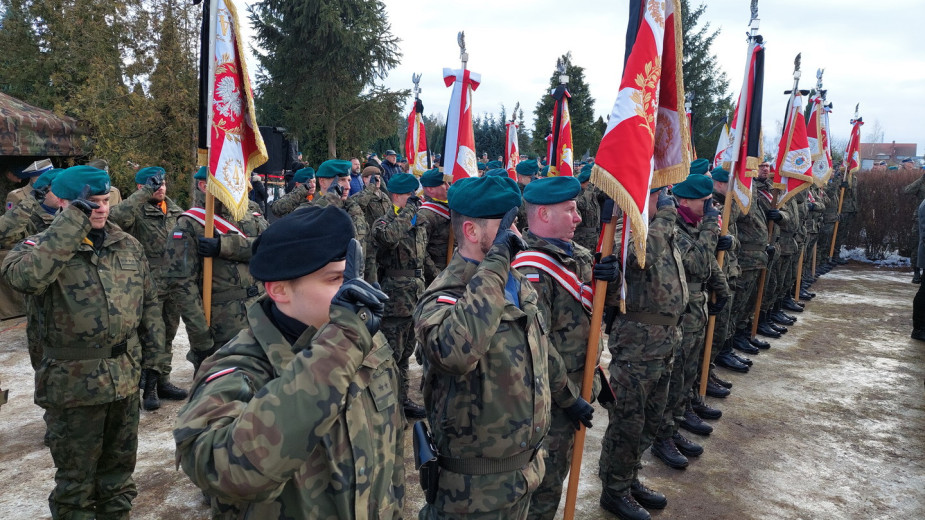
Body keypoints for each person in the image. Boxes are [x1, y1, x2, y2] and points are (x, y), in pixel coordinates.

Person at [174, 205, 405, 519]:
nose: (354, 291)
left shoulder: (364, 340)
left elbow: (390, 455)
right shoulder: (241, 367)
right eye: (336, 279)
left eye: (354, 276)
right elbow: (224, 470)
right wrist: (339, 346)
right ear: (280, 290)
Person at [3, 165, 165, 519]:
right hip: (72, 386)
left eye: (105, 200)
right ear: (63, 202)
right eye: (92, 203)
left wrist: (155, 362)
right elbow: (27, 279)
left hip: (123, 378)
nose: (101, 208)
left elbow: (149, 303)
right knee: (75, 485)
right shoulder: (37, 248)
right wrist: (73, 223)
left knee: (118, 479)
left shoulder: (127, 245)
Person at [414, 175, 567, 519]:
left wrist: (570, 398)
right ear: (471, 231)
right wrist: (497, 259)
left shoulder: (518, 283)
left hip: (522, 478)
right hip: (473, 495)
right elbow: (454, 352)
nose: (516, 234)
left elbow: (538, 350)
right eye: (505, 226)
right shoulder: (446, 295)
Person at [514, 175, 616, 519]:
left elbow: (599, 311)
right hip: (549, 398)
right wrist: (570, 399)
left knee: (558, 477)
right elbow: (536, 346)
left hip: (578, 385)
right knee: (542, 487)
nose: (579, 217)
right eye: (570, 210)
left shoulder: (579, 256)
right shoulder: (530, 269)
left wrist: (611, 280)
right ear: (543, 214)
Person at [599, 186, 687, 520]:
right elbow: (642, 256)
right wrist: (666, 213)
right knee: (628, 423)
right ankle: (615, 489)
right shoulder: (626, 232)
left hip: (663, 343)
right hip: (638, 346)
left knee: (649, 421)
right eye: (654, 194)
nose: (662, 200)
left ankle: (628, 477)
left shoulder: (658, 229)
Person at [651, 170, 730, 472]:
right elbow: (697, 262)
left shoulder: (694, 225)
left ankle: (679, 419)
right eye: (705, 201)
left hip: (696, 308)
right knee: (675, 378)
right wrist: (711, 226)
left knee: (688, 373)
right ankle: (664, 435)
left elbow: (708, 265)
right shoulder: (675, 229)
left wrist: (721, 287)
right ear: (684, 201)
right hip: (681, 313)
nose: (711, 207)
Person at [165, 166, 268, 373]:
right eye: (228, 182)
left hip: (260, 315)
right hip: (222, 325)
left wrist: (225, 245)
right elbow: (182, 287)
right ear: (205, 187)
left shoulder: (251, 213)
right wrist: (201, 339)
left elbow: (270, 247)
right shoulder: (190, 224)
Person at [108, 166, 188, 409]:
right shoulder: (135, 210)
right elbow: (114, 218)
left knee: (168, 334)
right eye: (154, 184)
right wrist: (143, 195)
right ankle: (148, 387)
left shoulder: (175, 211)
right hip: (146, 285)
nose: (160, 188)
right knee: (151, 336)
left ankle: (163, 380)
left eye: (162, 183)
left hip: (172, 282)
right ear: (141, 187)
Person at [373, 172, 428, 420]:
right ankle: (388, 409)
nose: (414, 199)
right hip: (395, 299)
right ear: (396, 196)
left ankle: (402, 401)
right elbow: (389, 238)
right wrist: (408, 212)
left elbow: (422, 257)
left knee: (406, 355)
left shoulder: (417, 221)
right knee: (391, 357)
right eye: (409, 194)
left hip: (415, 296)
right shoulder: (383, 223)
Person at [0, 167, 62, 369]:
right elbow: (4, 233)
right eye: (56, 189)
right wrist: (31, 201)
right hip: (42, 299)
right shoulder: (28, 218)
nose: (61, 194)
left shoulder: (73, 213)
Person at [352, 165, 391, 283]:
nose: (377, 180)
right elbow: (359, 205)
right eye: (373, 177)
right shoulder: (359, 196)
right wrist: (371, 187)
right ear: (364, 179)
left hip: (385, 245)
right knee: (372, 281)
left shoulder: (385, 197)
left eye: (378, 177)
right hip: (370, 247)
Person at [417, 168, 453, 285]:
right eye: (443, 184)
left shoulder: (451, 206)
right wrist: (437, 276)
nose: (448, 187)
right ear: (430, 189)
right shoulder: (425, 214)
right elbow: (420, 251)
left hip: (453, 270)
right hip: (437, 276)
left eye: (448, 183)